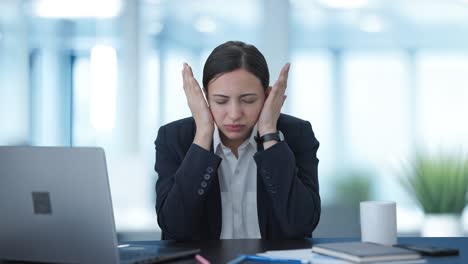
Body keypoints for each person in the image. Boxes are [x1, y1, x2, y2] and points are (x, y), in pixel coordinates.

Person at [154, 41, 320, 240]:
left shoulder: (297, 134)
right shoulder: (173, 138)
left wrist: (269, 134)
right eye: (221, 101)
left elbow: (301, 225)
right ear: (204, 98)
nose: (234, 114)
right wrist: (204, 133)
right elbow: (173, 227)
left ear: (267, 97)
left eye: (248, 100)